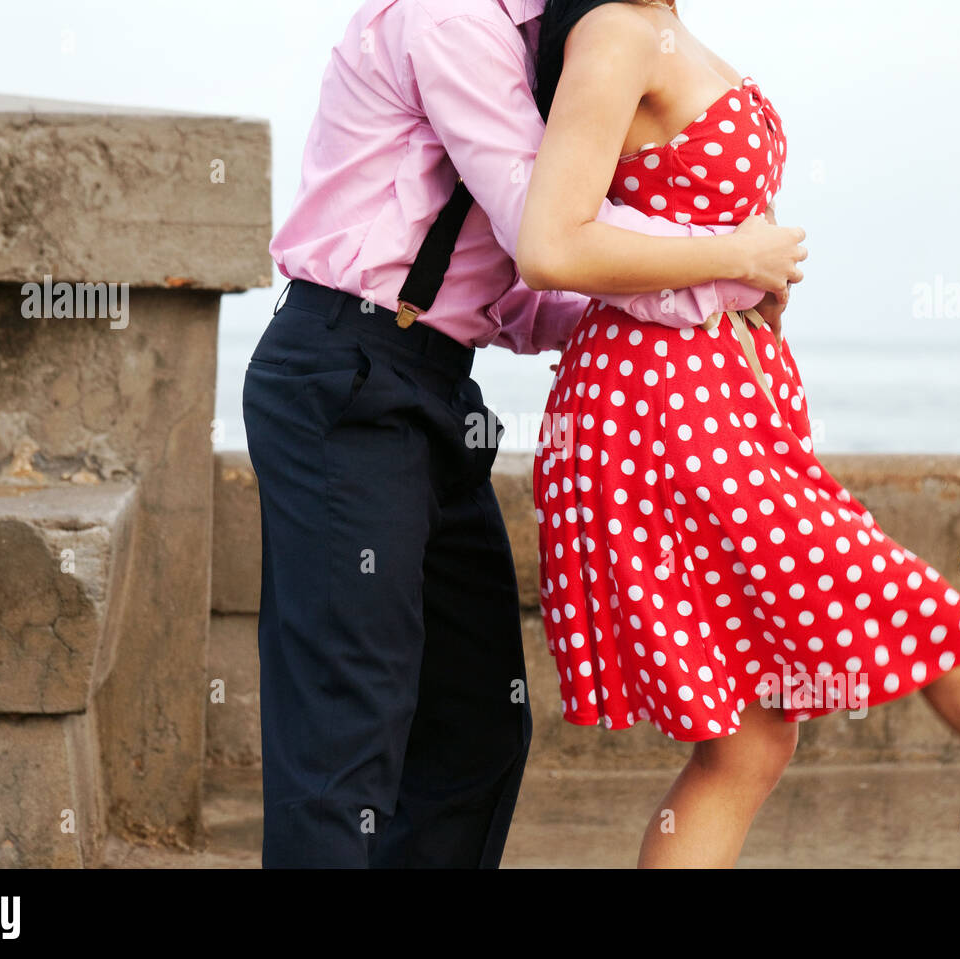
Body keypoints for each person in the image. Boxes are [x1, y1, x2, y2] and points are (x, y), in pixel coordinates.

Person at [520, 0, 960, 867]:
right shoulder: (617, 31)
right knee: (938, 632)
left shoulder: (663, 30)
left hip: (721, 410)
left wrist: (745, 279)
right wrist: (735, 259)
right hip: (664, 417)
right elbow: (551, 244)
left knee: (749, 745)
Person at [244, 0, 808, 868]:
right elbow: (539, 229)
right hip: (344, 371)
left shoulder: (553, 38)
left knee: (477, 726)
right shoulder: (453, 21)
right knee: (347, 728)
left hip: (433, 378)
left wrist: (673, 311)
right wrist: (728, 258)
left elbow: (521, 295)